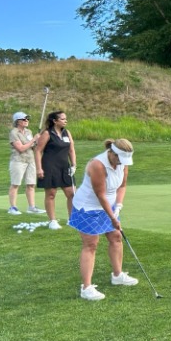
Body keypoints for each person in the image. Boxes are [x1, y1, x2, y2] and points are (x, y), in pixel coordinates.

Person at [69, 139, 138, 301]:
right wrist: (113, 217)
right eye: (119, 158)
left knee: (116, 237)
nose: (122, 163)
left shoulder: (122, 162)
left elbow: (122, 186)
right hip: (89, 207)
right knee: (91, 244)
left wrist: (119, 205)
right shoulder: (97, 165)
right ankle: (86, 288)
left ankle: (117, 275)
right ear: (112, 153)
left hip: (109, 206)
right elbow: (100, 195)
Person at [35, 110, 76, 230]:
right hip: (50, 166)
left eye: (65, 118)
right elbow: (38, 151)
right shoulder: (47, 133)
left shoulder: (67, 133)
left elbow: (71, 149)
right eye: (62, 119)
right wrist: (39, 168)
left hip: (65, 167)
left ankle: (72, 219)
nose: (65, 121)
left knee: (72, 194)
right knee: (51, 194)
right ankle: (52, 221)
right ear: (55, 121)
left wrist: (73, 164)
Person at [8, 111, 45, 216]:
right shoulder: (14, 133)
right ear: (17, 121)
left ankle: (31, 207)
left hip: (30, 160)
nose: (26, 121)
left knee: (31, 184)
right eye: (24, 119)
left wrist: (38, 141)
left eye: (27, 119)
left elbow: (33, 147)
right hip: (18, 161)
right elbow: (20, 148)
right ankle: (13, 207)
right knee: (15, 184)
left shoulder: (29, 132)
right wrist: (34, 139)